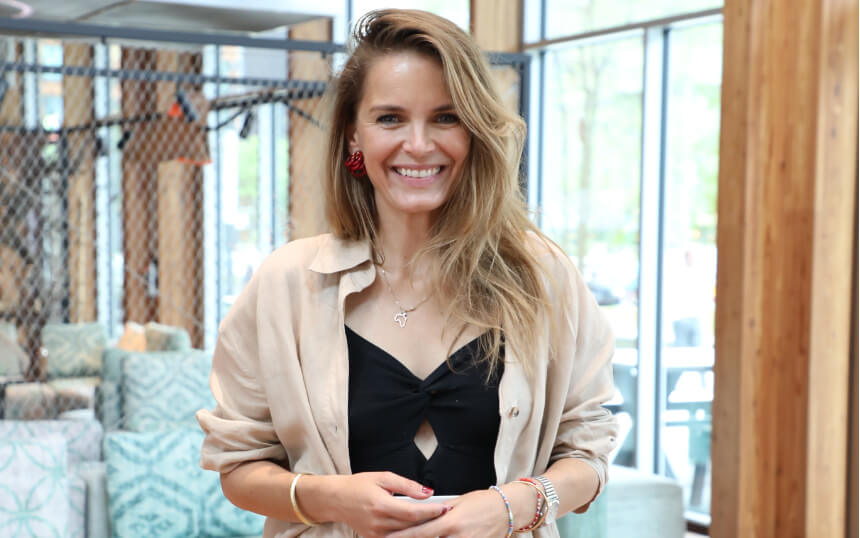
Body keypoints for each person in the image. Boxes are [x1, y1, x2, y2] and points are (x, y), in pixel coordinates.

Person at [197, 8, 617, 538]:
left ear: (474, 131)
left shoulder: (541, 277)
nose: (418, 145)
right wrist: (332, 497)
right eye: (390, 118)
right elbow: (237, 466)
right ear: (354, 136)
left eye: (445, 117)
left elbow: (589, 451)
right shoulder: (287, 284)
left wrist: (515, 505)